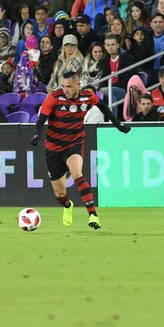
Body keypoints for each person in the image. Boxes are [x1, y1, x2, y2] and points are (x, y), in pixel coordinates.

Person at [30, 72, 131, 230]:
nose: (66, 90)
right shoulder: (54, 98)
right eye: (63, 86)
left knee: (77, 173)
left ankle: (92, 215)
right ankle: (68, 205)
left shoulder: (87, 97)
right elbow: (42, 118)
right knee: (59, 194)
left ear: (78, 85)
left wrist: (118, 125)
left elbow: (104, 107)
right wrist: (37, 134)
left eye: (69, 86)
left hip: (74, 144)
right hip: (53, 148)